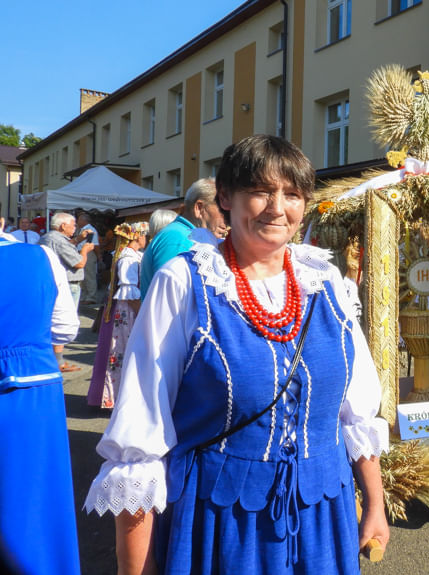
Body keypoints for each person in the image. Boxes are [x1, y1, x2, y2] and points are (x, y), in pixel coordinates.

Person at [85, 135, 389, 574]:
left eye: (292, 194)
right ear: (225, 197)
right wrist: (135, 567)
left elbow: (354, 412)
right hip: (221, 520)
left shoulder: (327, 282)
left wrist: (375, 504)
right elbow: (139, 435)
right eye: (261, 191)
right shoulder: (185, 283)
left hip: (324, 513)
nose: (277, 208)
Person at [0, 232, 81, 574]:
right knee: (34, 511)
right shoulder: (41, 256)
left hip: (28, 383)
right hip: (32, 389)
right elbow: (66, 329)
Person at [87, 222, 149, 409]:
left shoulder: (132, 256)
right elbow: (129, 293)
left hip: (125, 310)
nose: (146, 237)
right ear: (137, 236)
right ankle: (118, 398)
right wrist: (143, 314)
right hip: (126, 312)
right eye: (144, 234)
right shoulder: (128, 258)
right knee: (122, 351)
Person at [139, 178, 228, 298]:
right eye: (222, 211)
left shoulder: (183, 235)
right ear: (199, 208)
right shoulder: (178, 238)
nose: (227, 219)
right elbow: (170, 298)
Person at [39, 212, 96, 372]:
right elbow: (79, 263)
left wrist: (78, 240)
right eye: (73, 225)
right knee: (62, 322)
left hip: (54, 283)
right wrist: (84, 250)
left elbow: (64, 246)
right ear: (63, 226)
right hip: (67, 284)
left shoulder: (48, 237)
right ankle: (58, 361)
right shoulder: (58, 240)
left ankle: (55, 359)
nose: (75, 228)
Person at [77, 211, 101, 304]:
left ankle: (91, 297)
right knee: (82, 276)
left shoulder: (91, 230)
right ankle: (84, 296)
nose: (77, 222)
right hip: (81, 252)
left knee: (89, 275)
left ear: (84, 221)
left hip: (89, 253)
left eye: (79, 220)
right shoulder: (82, 229)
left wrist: (98, 256)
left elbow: (95, 244)